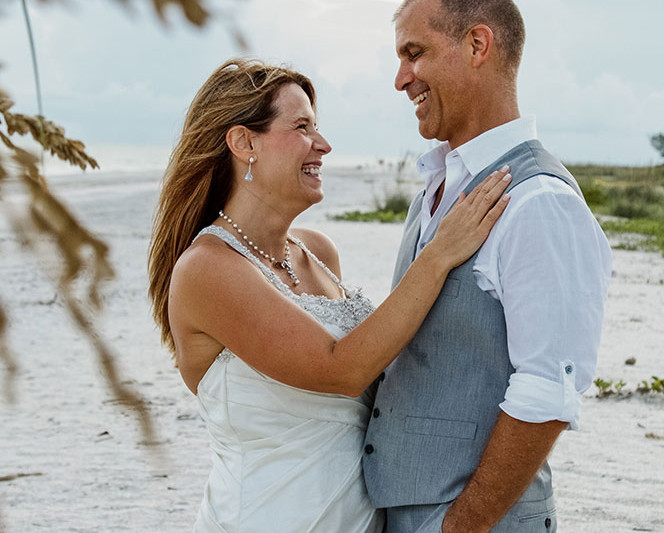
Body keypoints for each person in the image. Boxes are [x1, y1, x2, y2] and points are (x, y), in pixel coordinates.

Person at [147, 57, 512, 533]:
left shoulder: (319, 252)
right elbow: (341, 368)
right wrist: (439, 255)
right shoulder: (207, 270)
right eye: (302, 127)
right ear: (244, 142)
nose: (324, 144)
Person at [362, 1, 613, 532]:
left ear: (477, 45)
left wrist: (460, 526)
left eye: (414, 53)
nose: (400, 78)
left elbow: (549, 390)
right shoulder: (434, 188)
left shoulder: (539, 201)